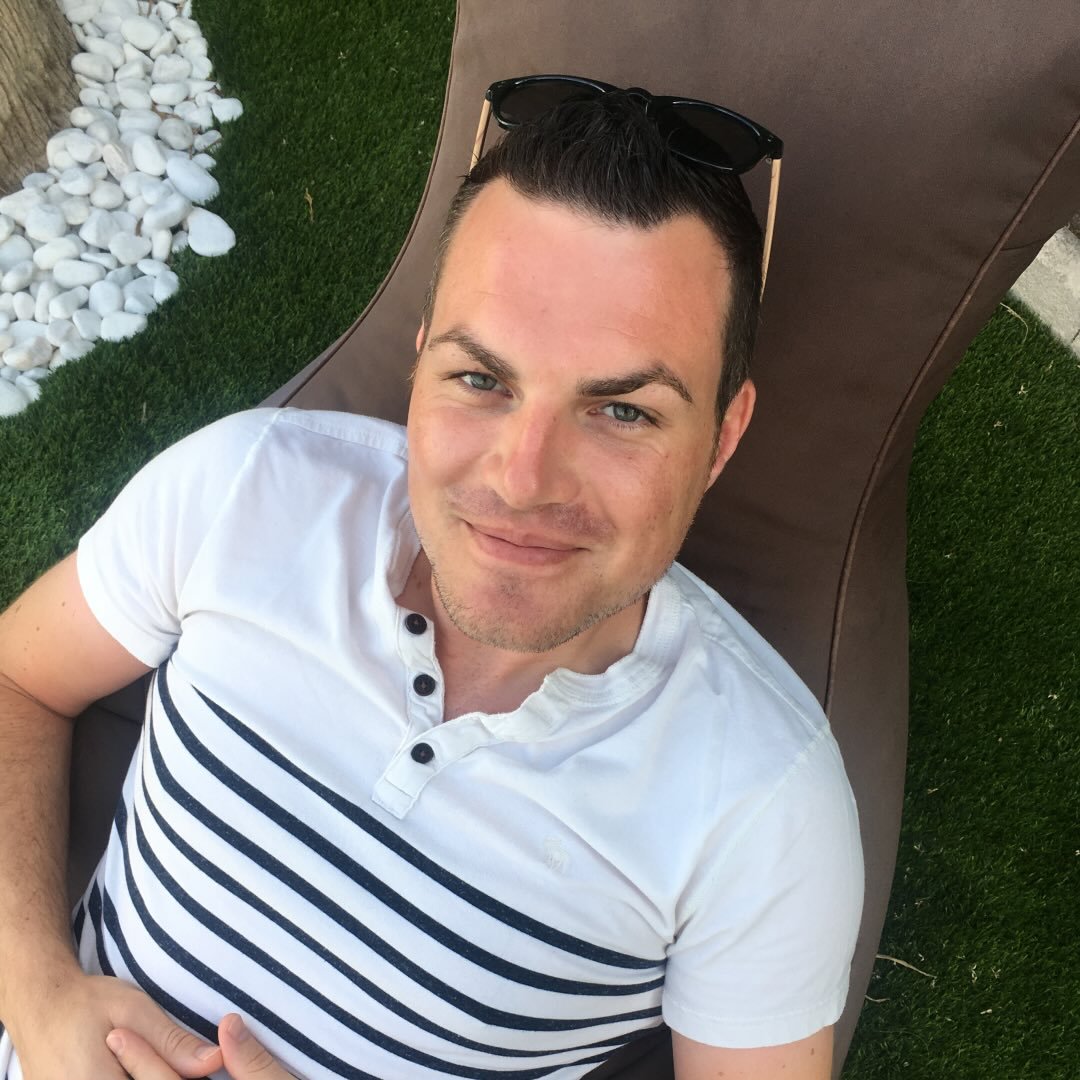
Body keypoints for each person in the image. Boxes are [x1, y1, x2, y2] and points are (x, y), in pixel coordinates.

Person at [0, 80, 862, 1080]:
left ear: (722, 436)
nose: (523, 481)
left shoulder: (765, 808)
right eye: (481, 380)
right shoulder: (245, 489)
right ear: (421, 366)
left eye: (623, 411)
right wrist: (37, 991)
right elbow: (18, 678)